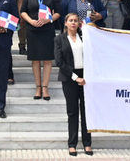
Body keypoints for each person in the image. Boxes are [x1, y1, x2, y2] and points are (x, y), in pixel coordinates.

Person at [55, 13, 93, 157]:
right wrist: (75, 77)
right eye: (70, 20)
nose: (73, 23)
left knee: (86, 112)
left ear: (79, 23)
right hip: (69, 77)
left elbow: (91, 56)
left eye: (75, 21)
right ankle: (72, 144)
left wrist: (85, 76)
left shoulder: (85, 38)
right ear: (65, 23)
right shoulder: (59, 39)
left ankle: (87, 143)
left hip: (85, 76)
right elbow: (59, 62)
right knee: (72, 112)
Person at [20, 0, 60, 100]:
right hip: (32, 30)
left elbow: (58, 12)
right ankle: (38, 87)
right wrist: (31, 21)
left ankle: (45, 87)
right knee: (35, 60)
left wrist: (49, 20)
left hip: (47, 30)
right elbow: (23, 12)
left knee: (47, 60)